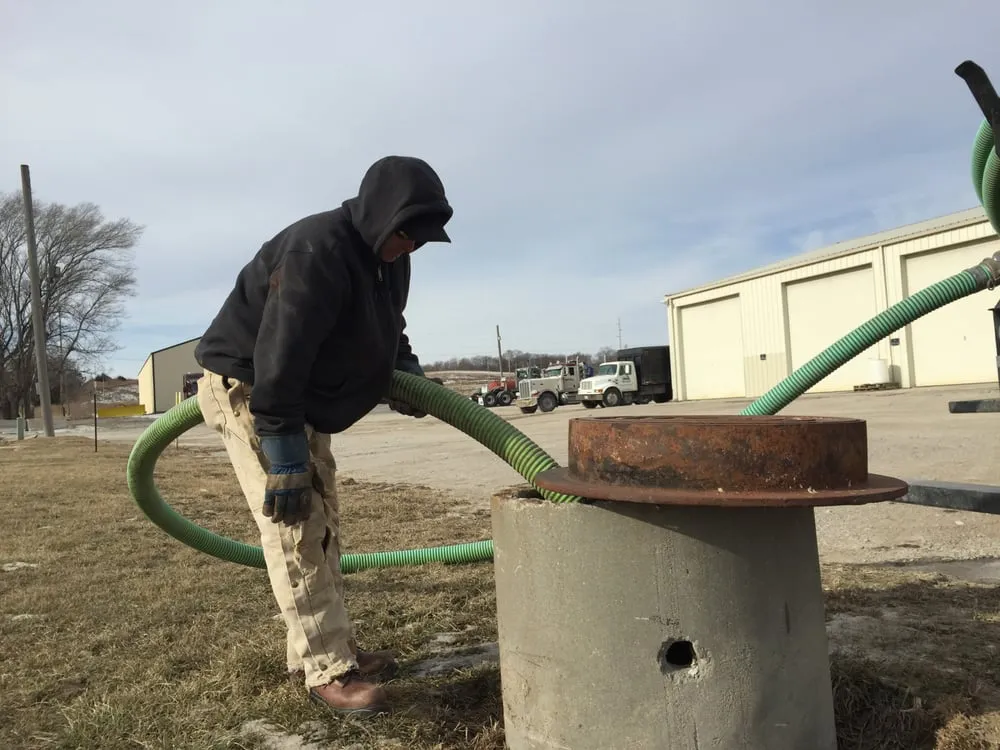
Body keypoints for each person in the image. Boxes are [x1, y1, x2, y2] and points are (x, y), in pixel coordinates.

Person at [192, 155, 454, 717]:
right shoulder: (317, 250)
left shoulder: (390, 261)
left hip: (297, 396)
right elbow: (279, 354)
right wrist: (284, 451)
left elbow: (391, 330)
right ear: (383, 215)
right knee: (294, 525)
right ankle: (328, 670)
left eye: (421, 240)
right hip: (255, 390)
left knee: (323, 521)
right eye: (406, 233)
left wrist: (409, 378)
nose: (410, 246)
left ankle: (322, 648)